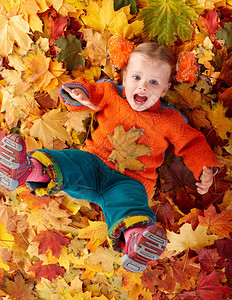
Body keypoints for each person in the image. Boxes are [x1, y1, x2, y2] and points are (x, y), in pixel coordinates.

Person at [0, 42, 220, 273]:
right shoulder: (111, 94)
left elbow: (193, 143)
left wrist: (205, 168)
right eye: (136, 77)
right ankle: (26, 169)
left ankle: (135, 240)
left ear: (164, 89)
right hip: (93, 163)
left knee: (127, 203)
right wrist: (79, 94)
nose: (143, 86)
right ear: (124, 78)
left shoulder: (171, 120)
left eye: (153, 82)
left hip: (132, 180)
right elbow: (88, 92)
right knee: (70, 162)